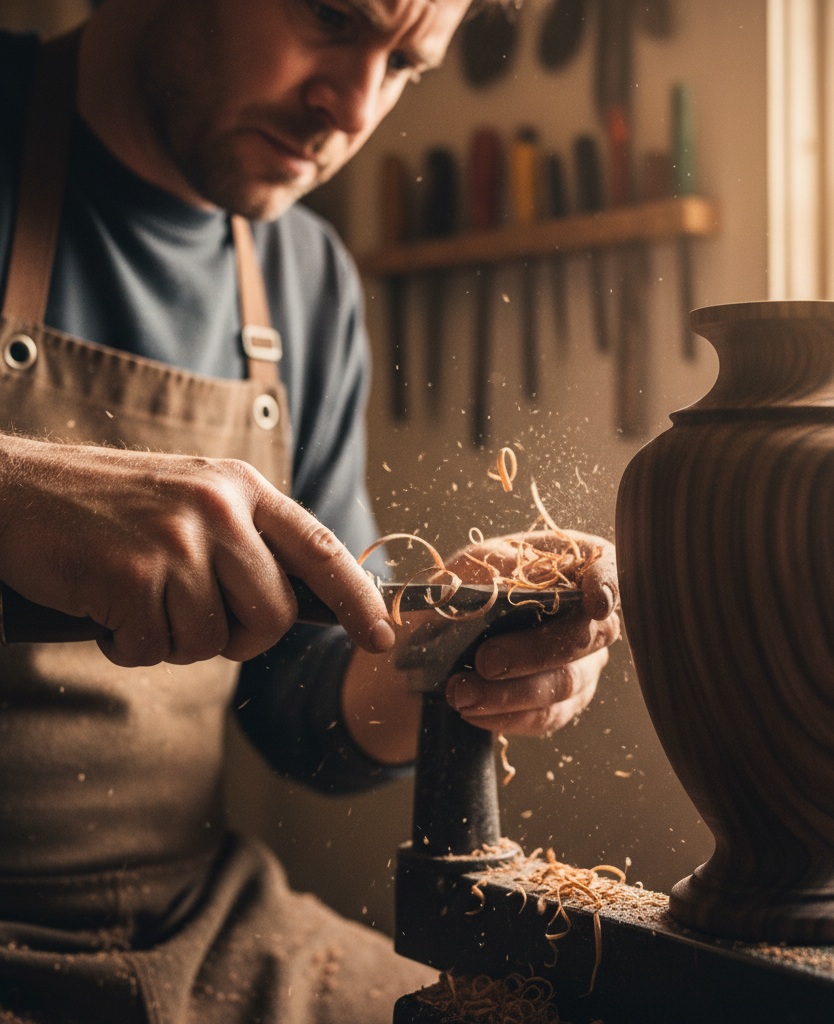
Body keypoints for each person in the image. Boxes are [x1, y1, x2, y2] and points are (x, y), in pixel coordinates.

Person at [0, 1, 620, 1021]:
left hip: (194, 925)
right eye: (331, 16)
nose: (353, 104)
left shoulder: (306, 279)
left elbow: (297, 705)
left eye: (406, 66)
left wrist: (440, 657)